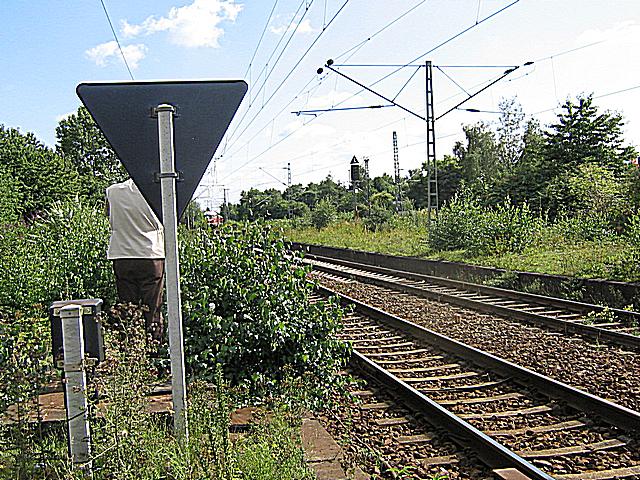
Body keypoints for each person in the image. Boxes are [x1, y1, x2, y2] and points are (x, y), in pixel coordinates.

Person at [106, 178, 165, 343]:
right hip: (150, 254)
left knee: (127, 307)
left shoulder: (112, 191)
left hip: (122, 255)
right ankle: (153, 347)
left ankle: (130, 344)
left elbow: (109, 217)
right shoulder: (156, 191)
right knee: (152, 309)